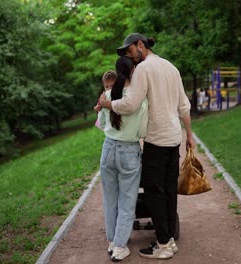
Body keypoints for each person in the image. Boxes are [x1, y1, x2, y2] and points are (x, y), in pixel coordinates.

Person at [99, 33, 195, 260]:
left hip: (156, 140)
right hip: (174, 139)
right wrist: (189, 135)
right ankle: (169, 238)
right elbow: (184, 106)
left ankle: (162, 244)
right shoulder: (171, 67)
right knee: (169, 190)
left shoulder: (144, 69)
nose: (130, 57)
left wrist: (107, 103)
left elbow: (131, 104)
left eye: (130, 51)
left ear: (140, 45)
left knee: (154, 193)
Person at [94, 56, 148, 262]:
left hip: (108, 148)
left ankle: (112, 240)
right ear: (133, 72)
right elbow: (143, 130)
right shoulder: (138, 98)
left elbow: (101, 123)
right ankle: (119, 246)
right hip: (129, 151)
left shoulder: (106, 96)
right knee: (127, 201)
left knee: (110, 199)